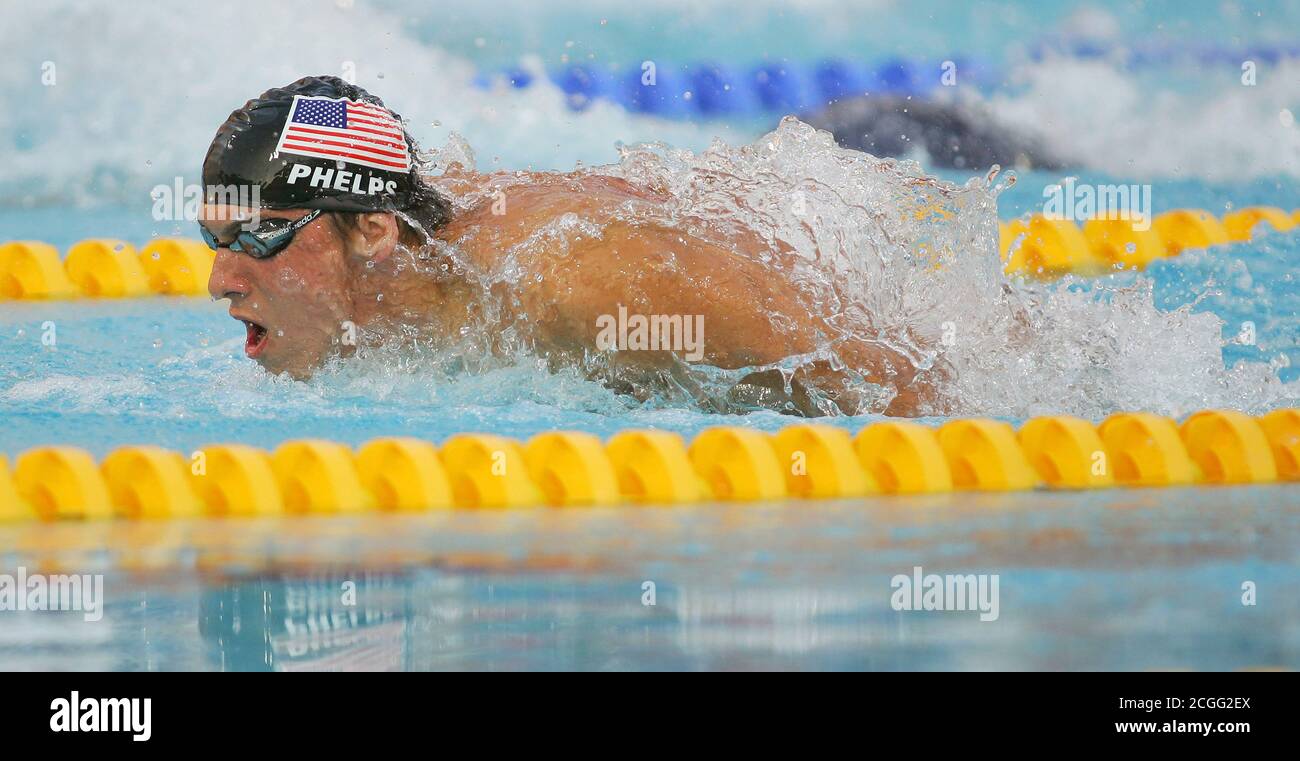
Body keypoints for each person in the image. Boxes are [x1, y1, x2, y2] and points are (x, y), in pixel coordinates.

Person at [200, 75, 939, 417]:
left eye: (261, 233)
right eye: (216, 234)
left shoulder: (577, 282)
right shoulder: (391, 272)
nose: (220, 280)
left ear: (372, 232)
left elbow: (887, 382)